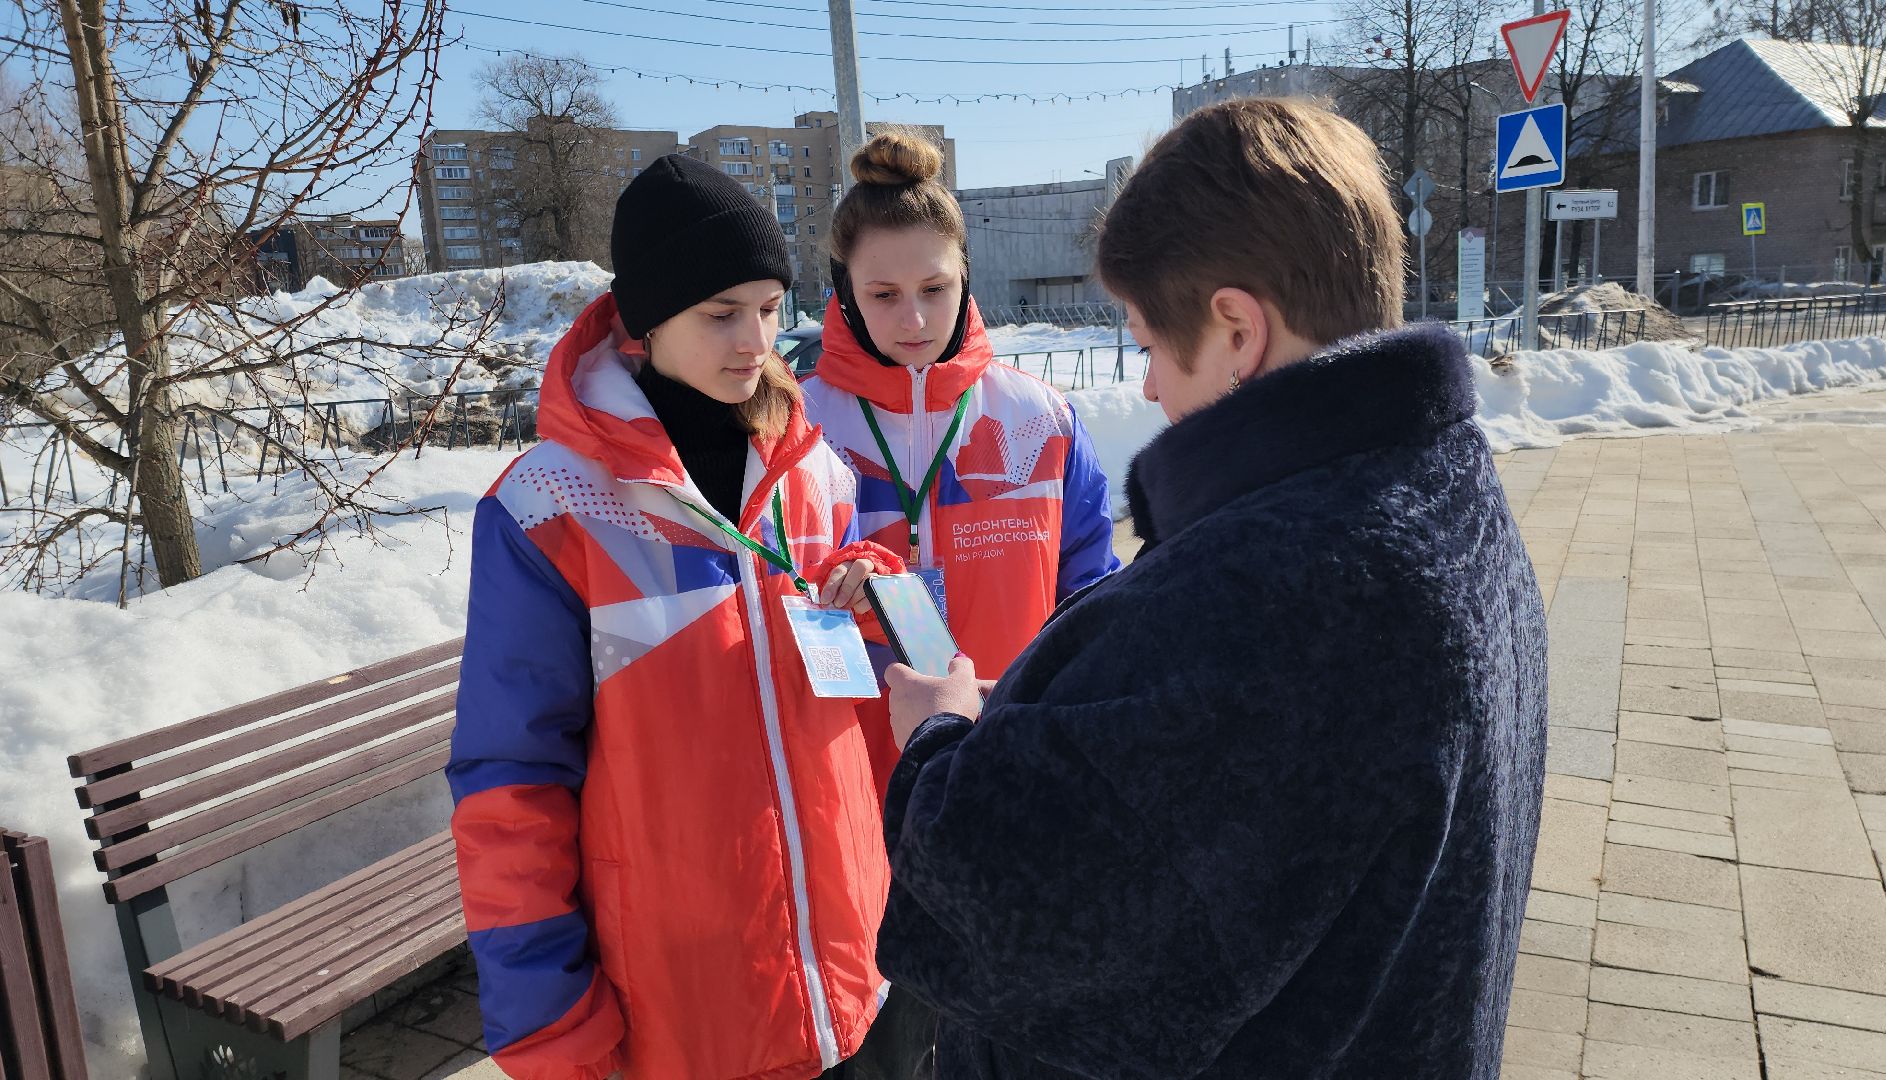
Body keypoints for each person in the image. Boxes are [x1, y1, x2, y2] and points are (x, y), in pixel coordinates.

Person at [875, 98, 1550, 1078]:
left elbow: (1028, 908)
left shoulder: (1286, 590)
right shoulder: (1432, 485)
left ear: (1235, 329)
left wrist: (938, 742)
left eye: (1149, 344)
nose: (1147, 389)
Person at [448, 154, 916, 1080]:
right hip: (685, 999)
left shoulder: (814, 474)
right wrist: (549, 1021)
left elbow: (857, 700)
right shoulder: (554, 510)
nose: (757, 342)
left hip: (846, 966)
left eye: (772, 310)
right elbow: (512, 783)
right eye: (720, 313)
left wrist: (878, 590)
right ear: (645, 318)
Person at [802, 131, 1120, 792]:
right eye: (884, 294)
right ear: (845, 290)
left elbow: (1090, 601)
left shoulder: (1041, 420)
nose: (914, 318)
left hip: (1015, 763)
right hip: (853, 777)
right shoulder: (799, 429)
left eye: (935, 288)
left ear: (964, 278)